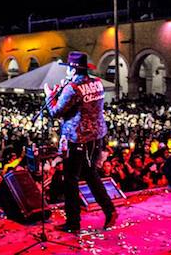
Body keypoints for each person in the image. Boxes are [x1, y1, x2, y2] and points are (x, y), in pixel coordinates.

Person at [44, 51, 117, 233]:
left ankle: (73, 223)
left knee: (71, 179)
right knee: (91, 174)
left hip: (77, 139)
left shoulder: (73, 88)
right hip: (96, 137)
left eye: (68, 68)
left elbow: (55, 112)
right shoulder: (97, 83)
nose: (66, 71)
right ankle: (109, 210)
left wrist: (49, 95)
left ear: (73, 69)